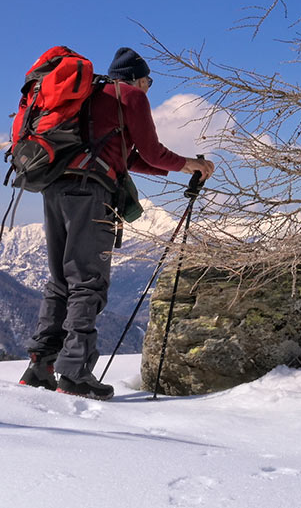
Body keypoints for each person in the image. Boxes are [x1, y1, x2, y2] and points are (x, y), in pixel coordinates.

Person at [17, 47, 214, 400]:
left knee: (62, 279)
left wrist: (183, 167)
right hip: (91, 193)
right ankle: (75, 374)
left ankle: (40, 366)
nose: (149, 87)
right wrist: (188, 165)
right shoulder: (131, 96)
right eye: (149, 81)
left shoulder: (89, 95)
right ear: (138, 77)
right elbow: (151, 153)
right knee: (88, 281)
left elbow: (130, 158)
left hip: (54, 186)